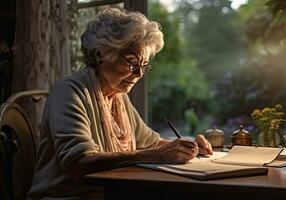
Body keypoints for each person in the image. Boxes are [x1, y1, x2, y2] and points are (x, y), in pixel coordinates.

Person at [27, 8, 213, 199]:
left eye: (143, 67)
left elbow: (152, 143)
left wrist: (188, 146)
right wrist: (160, 154)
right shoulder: (70, 92)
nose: (139, 74)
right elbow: (79, 164)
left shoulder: (117, 97)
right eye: (133, 63)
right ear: (101, 55)